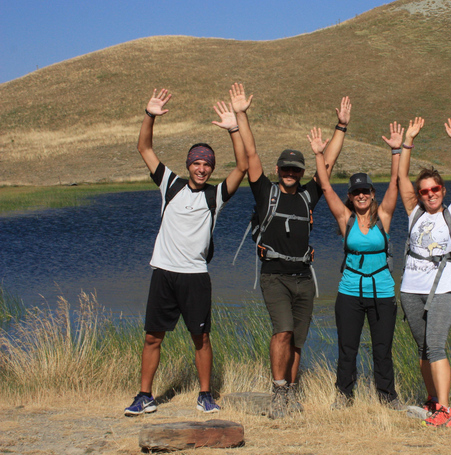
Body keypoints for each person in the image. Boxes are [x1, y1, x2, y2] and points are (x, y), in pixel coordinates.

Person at [124, 87, 251, 416]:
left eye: (206, 164)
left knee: (201, 338)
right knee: (153, 337)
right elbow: (144, 147)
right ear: (188, 165)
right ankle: (144, 396)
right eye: (196, 162)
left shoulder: (215, 197)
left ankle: (205, 395)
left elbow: (242, 166)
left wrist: (234, 128)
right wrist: (150, 114)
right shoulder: (170, 184)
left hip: (196, 276)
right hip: (163, 272)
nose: (201, 168)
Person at [232, 85, 350, 419]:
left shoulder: (307, 196)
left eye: (295, 170)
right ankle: (278, 393)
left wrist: (340, 126)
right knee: (282, 331)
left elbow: (328, 161)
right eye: (285, 169)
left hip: (304, 279)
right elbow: (251, 155)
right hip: (274, 276)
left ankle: (292, 393)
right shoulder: (265, 191)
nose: (290, 174)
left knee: (297, 339)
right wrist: (242, 114)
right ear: (278, 169)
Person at [307, 121, 403, 409]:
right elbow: (324, 186)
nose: (361, 195)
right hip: (350, 292)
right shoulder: (344, 219)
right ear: (350, 196)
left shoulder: (383, 216)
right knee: (347, 348)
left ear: (372, 193)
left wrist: (396, 150)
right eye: (355, 191)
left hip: (382, 292)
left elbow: (396, 183)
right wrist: (318, 154)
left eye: (365, 191)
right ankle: (344, 396)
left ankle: (388, 398)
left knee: (382, 349)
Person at [397, 116, 451, 428]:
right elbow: (400, 177)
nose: (430, 194)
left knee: (436, 345)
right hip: (410, 290)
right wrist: (407, 140)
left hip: (441, 290)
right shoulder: (414, 213)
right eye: (424, 191)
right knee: (423, 347)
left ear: (443, 189)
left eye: (435, 189)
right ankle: (433, 400)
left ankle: (446, 410)